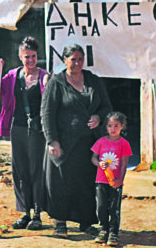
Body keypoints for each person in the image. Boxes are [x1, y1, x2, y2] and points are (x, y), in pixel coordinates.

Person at [41, 44, 111, 238]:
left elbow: (106, 106)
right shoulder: (56, 82)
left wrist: (98, 117)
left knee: (86, 183)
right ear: (64, 60)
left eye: (80, 59)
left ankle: (86, 222)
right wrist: (52, 140)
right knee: (61, 183)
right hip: (64, 144)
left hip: (88, 144)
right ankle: (60, 221)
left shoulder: (93, 81)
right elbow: (47, 113)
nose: (77, 63)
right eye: (73, 59)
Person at [0, 37, 49, 231]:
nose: (30, 60)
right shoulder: (12, 76)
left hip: (38, 130)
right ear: (20, 57)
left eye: (34, 56)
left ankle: (37, 214)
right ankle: (25, 213)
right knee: (20, 171)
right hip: (17, 127)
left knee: (37, 171)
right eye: (27, 56)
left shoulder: (45, 77)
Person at [91, 111, 133, 247]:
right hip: (101, 180)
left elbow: (124, 163)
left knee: (114, 208)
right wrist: (99, 164)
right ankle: (103, 229)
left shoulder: (124, 144)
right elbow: (93, 158)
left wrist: (120, 180)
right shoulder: (101, 142)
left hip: (115, 182)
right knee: (101, 206)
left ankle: (113, 232)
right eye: (109, 126)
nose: (112, 129)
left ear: (122, 126)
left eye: (116, 125)